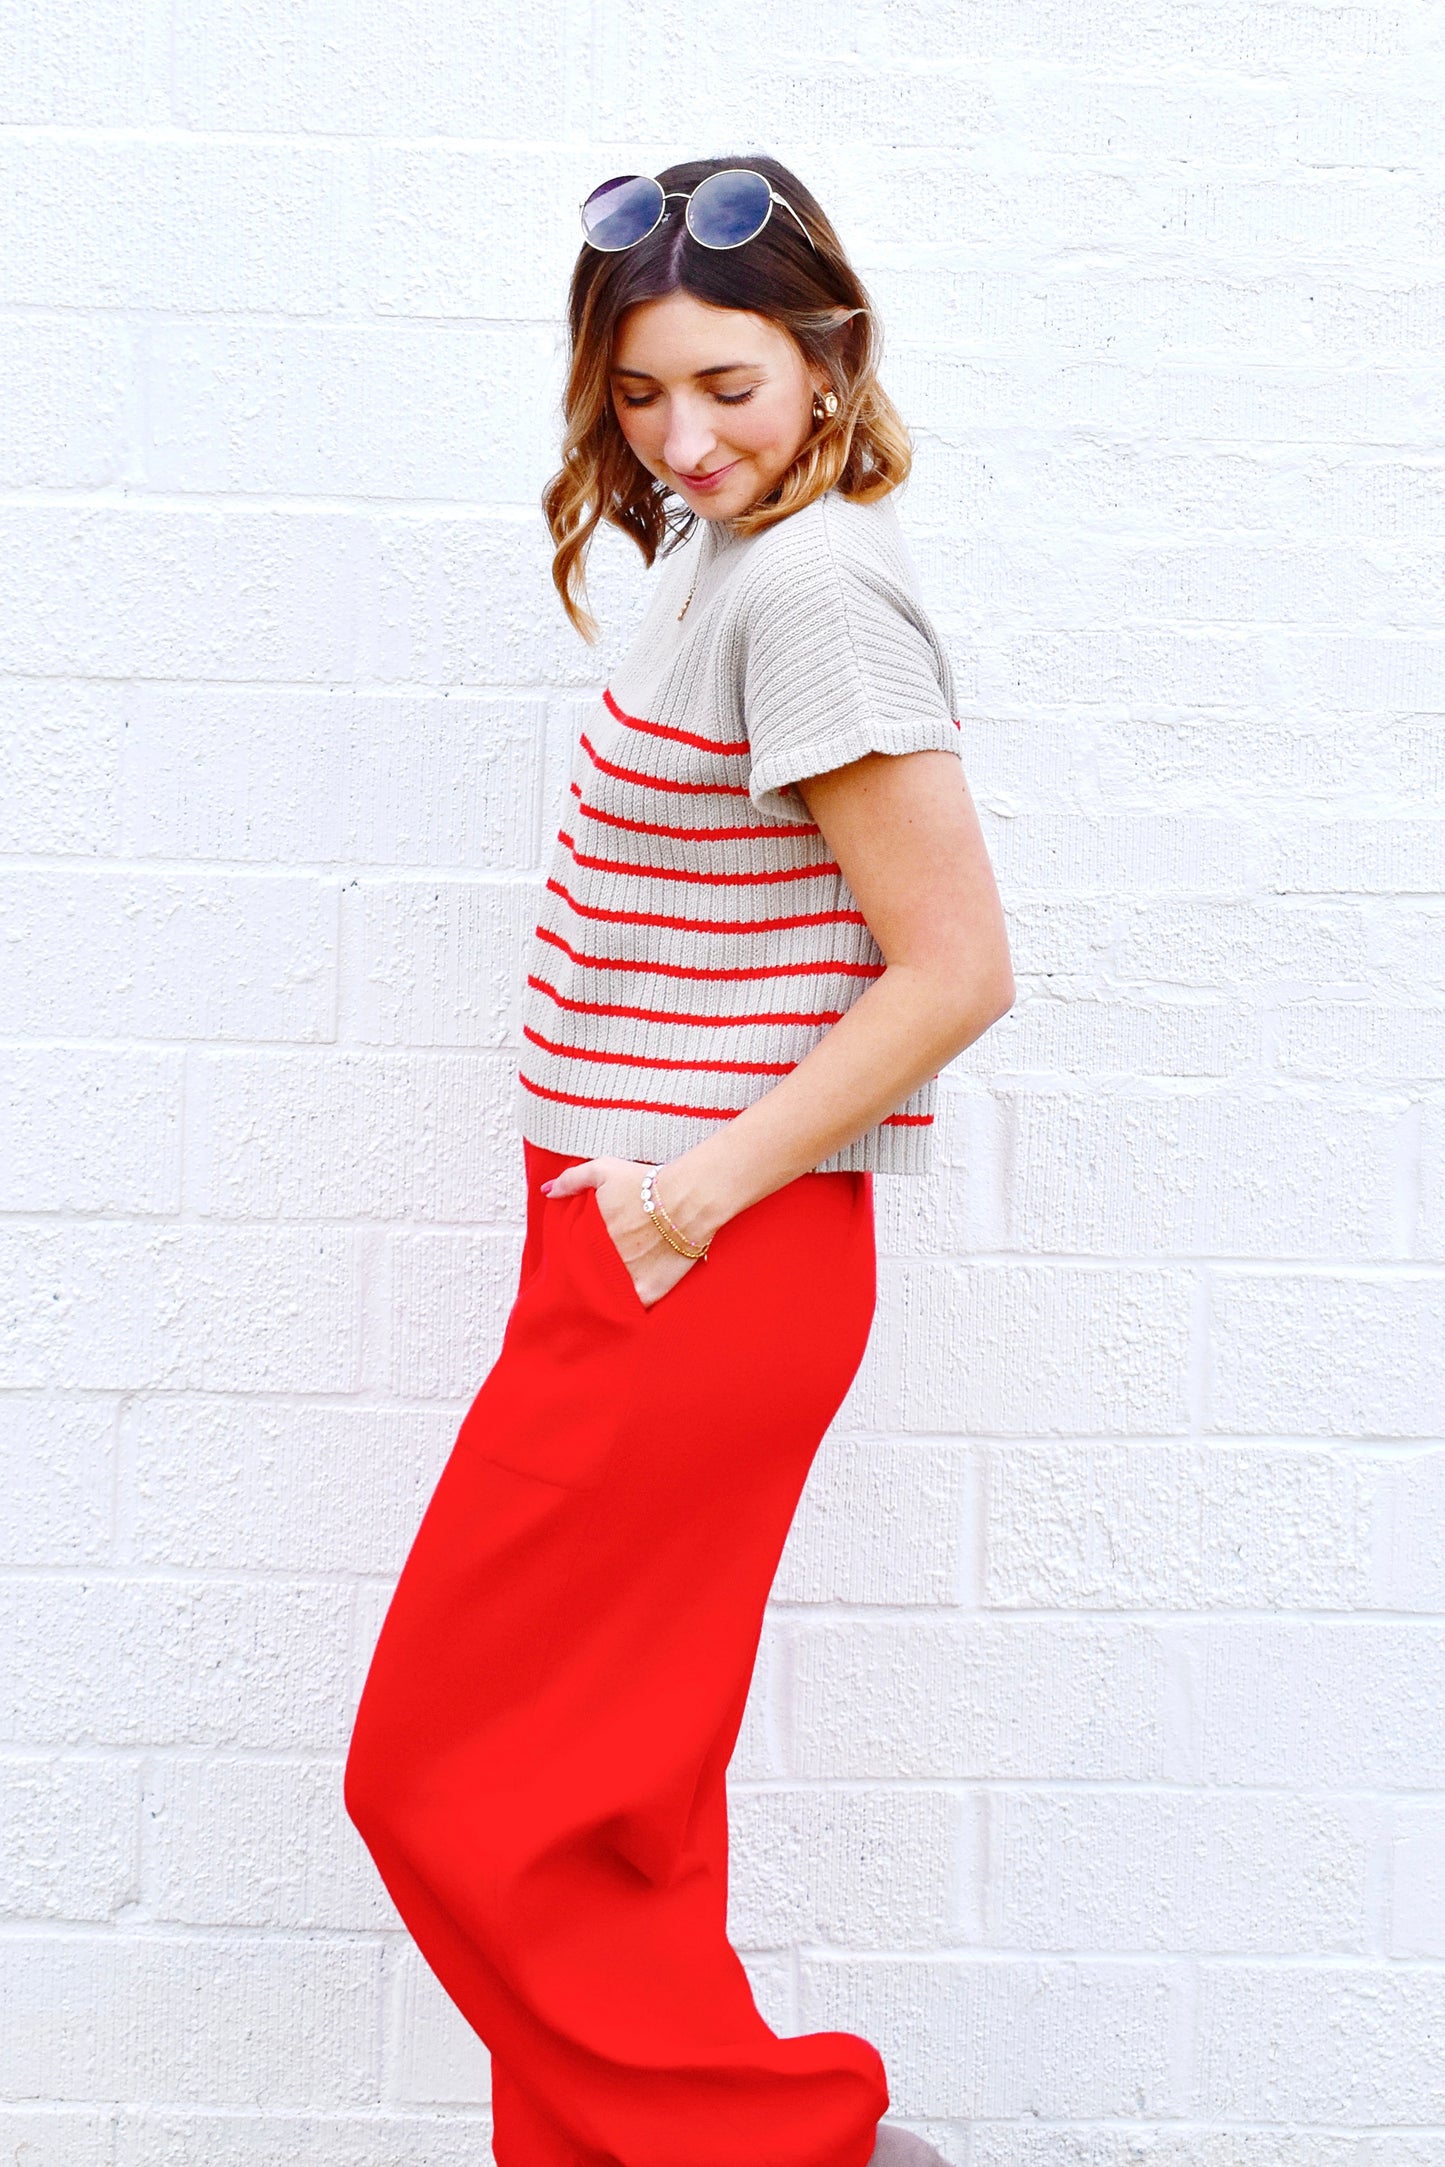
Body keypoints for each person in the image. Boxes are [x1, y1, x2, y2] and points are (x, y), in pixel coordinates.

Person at [345, 154, 1015, 2167]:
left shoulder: (813, 587)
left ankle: (783, 2137)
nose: (683, 435)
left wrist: (690, 1195)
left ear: (825, 357)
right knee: (613, 1795)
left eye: (725, 382)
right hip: (637, 1247)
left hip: (697, 1257)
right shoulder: (726, 555)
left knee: (437, 1774)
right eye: (640, 394)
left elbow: (958, 965)